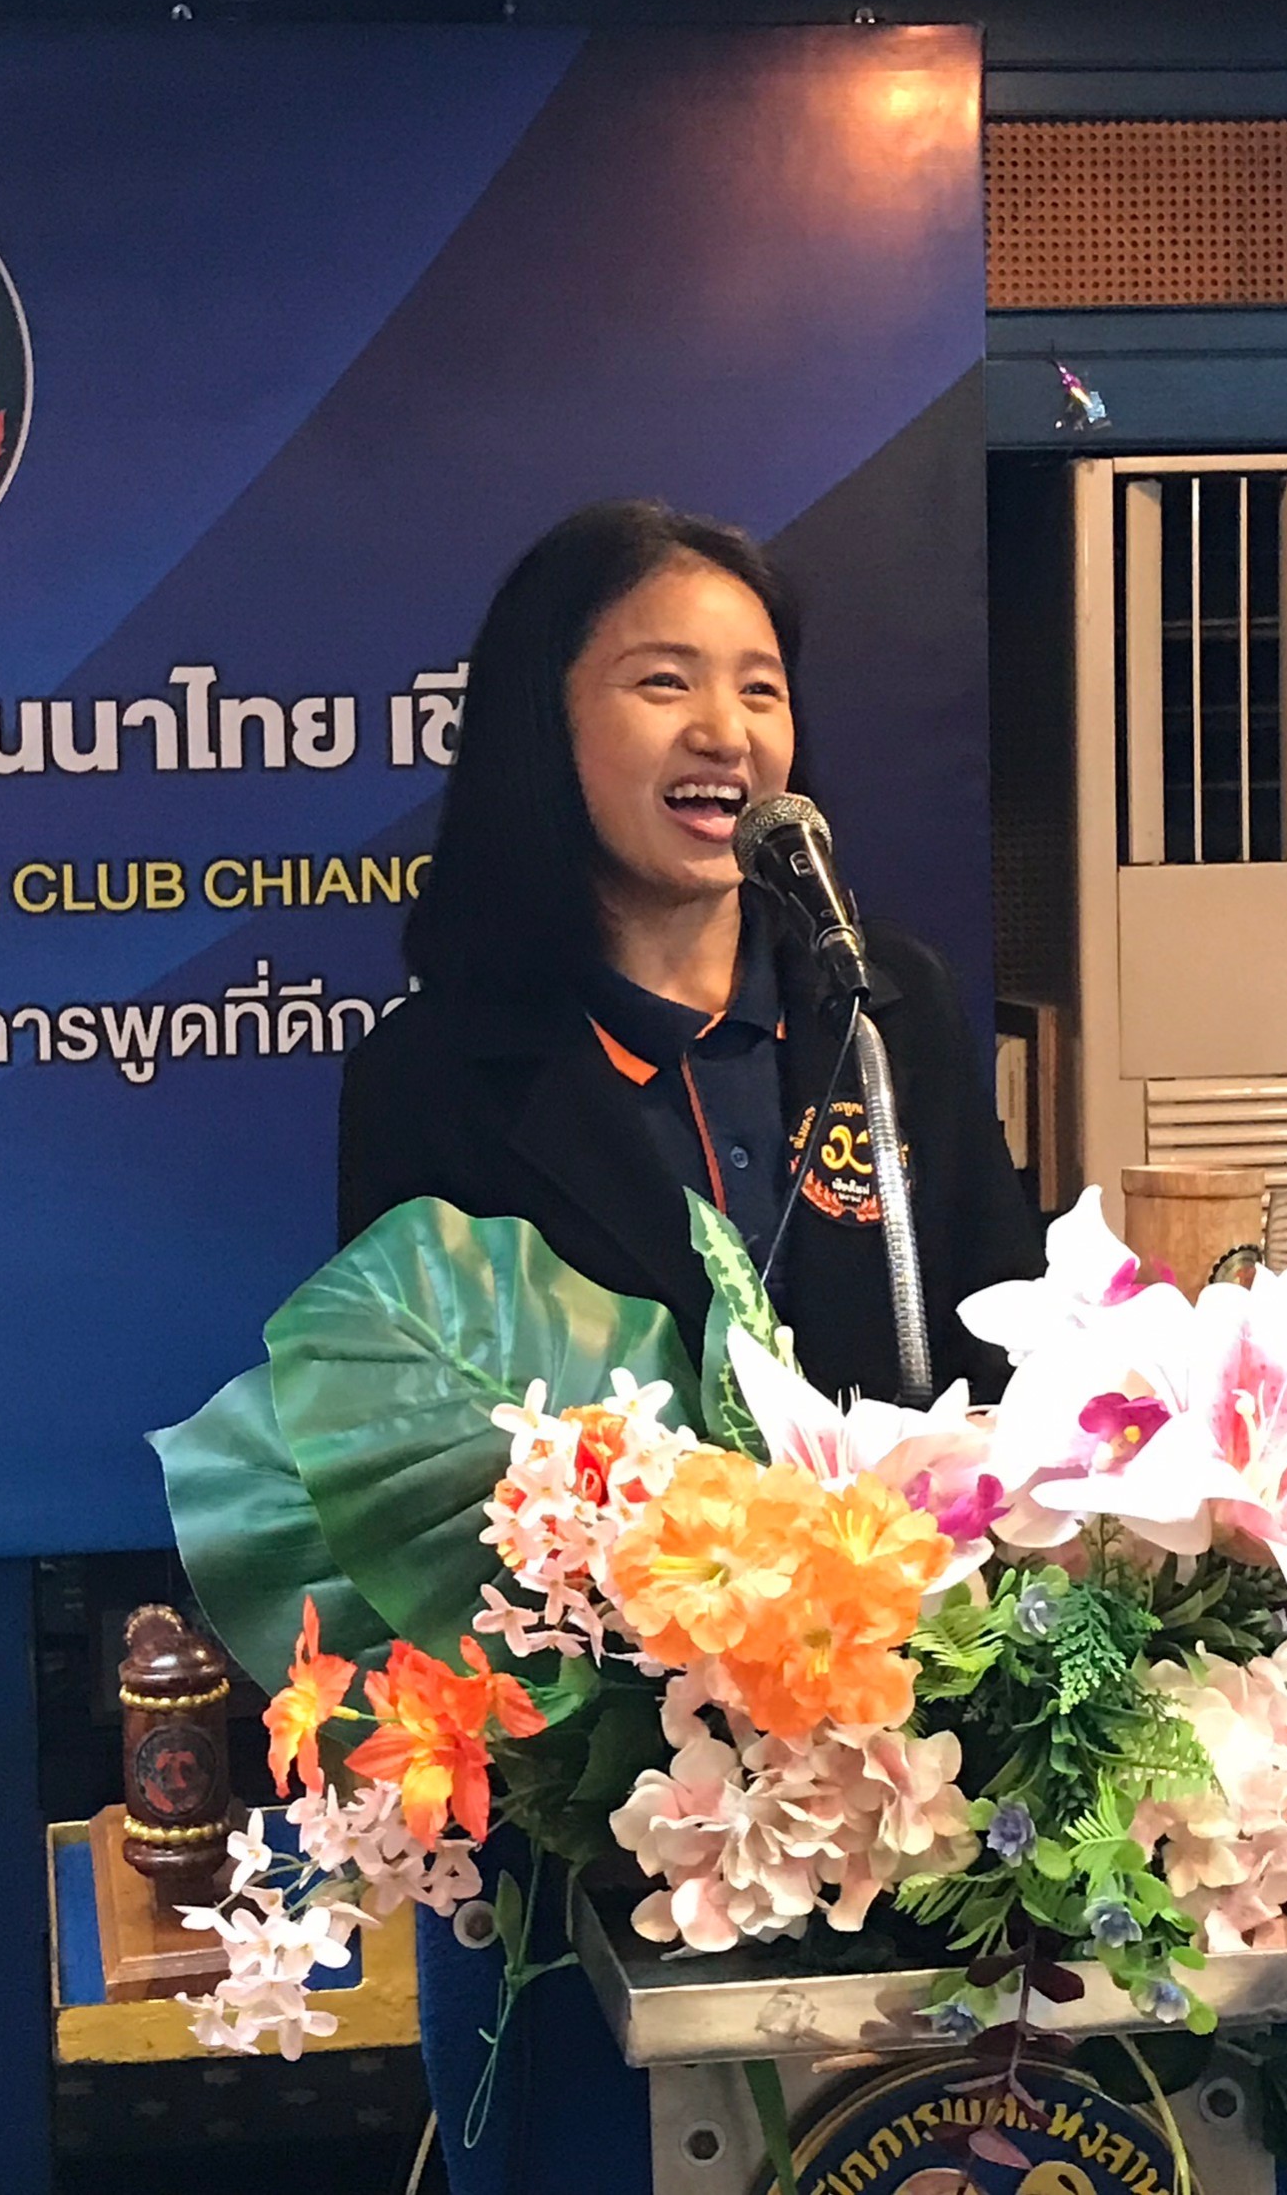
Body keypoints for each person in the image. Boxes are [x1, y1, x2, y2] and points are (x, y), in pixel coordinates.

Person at [335, 500, 1042, 2195]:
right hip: (591, 1827)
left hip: (904, 1799)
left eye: (760, 687)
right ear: (546, 725)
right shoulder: (439, 1074)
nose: (726, 729)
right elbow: (402, 1471)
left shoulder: (885, 1015)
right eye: (664, 682)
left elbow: (1012, 1345)